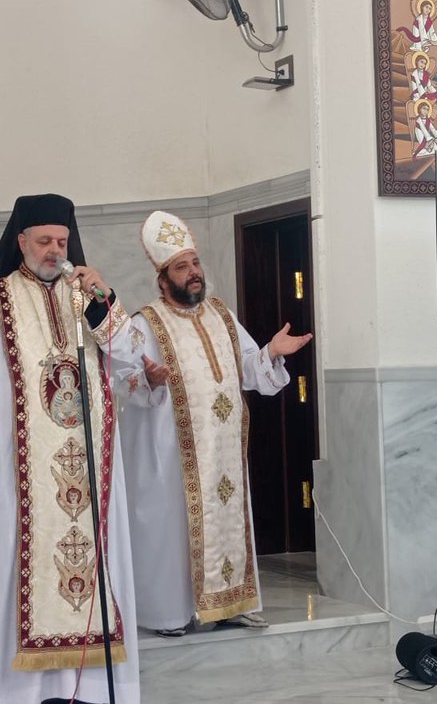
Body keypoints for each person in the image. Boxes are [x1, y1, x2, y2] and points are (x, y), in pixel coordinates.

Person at [0, 194, 140, 704]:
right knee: (25, 573)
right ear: (21, 241)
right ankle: (26, 693)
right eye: (44, 241)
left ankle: (92, 690)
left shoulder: (88, 294)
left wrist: (103, 297)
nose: (54, 251)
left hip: (90, 467)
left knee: (94, 570)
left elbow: (128, 354)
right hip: (26, 478)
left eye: (61, 241)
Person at [115, 211, 313, 637]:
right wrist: (148, 381)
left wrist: (272, 352)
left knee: (227, 519)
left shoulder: (221, 315)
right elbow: (125, 383)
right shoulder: (143, 324)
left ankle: (230, 605)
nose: (193, 274)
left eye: (195, 264)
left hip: (222, 452)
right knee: (174, 530)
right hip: (172, 454)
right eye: (181, 268)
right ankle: (169, 614)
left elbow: (246, 368)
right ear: (163, 278)